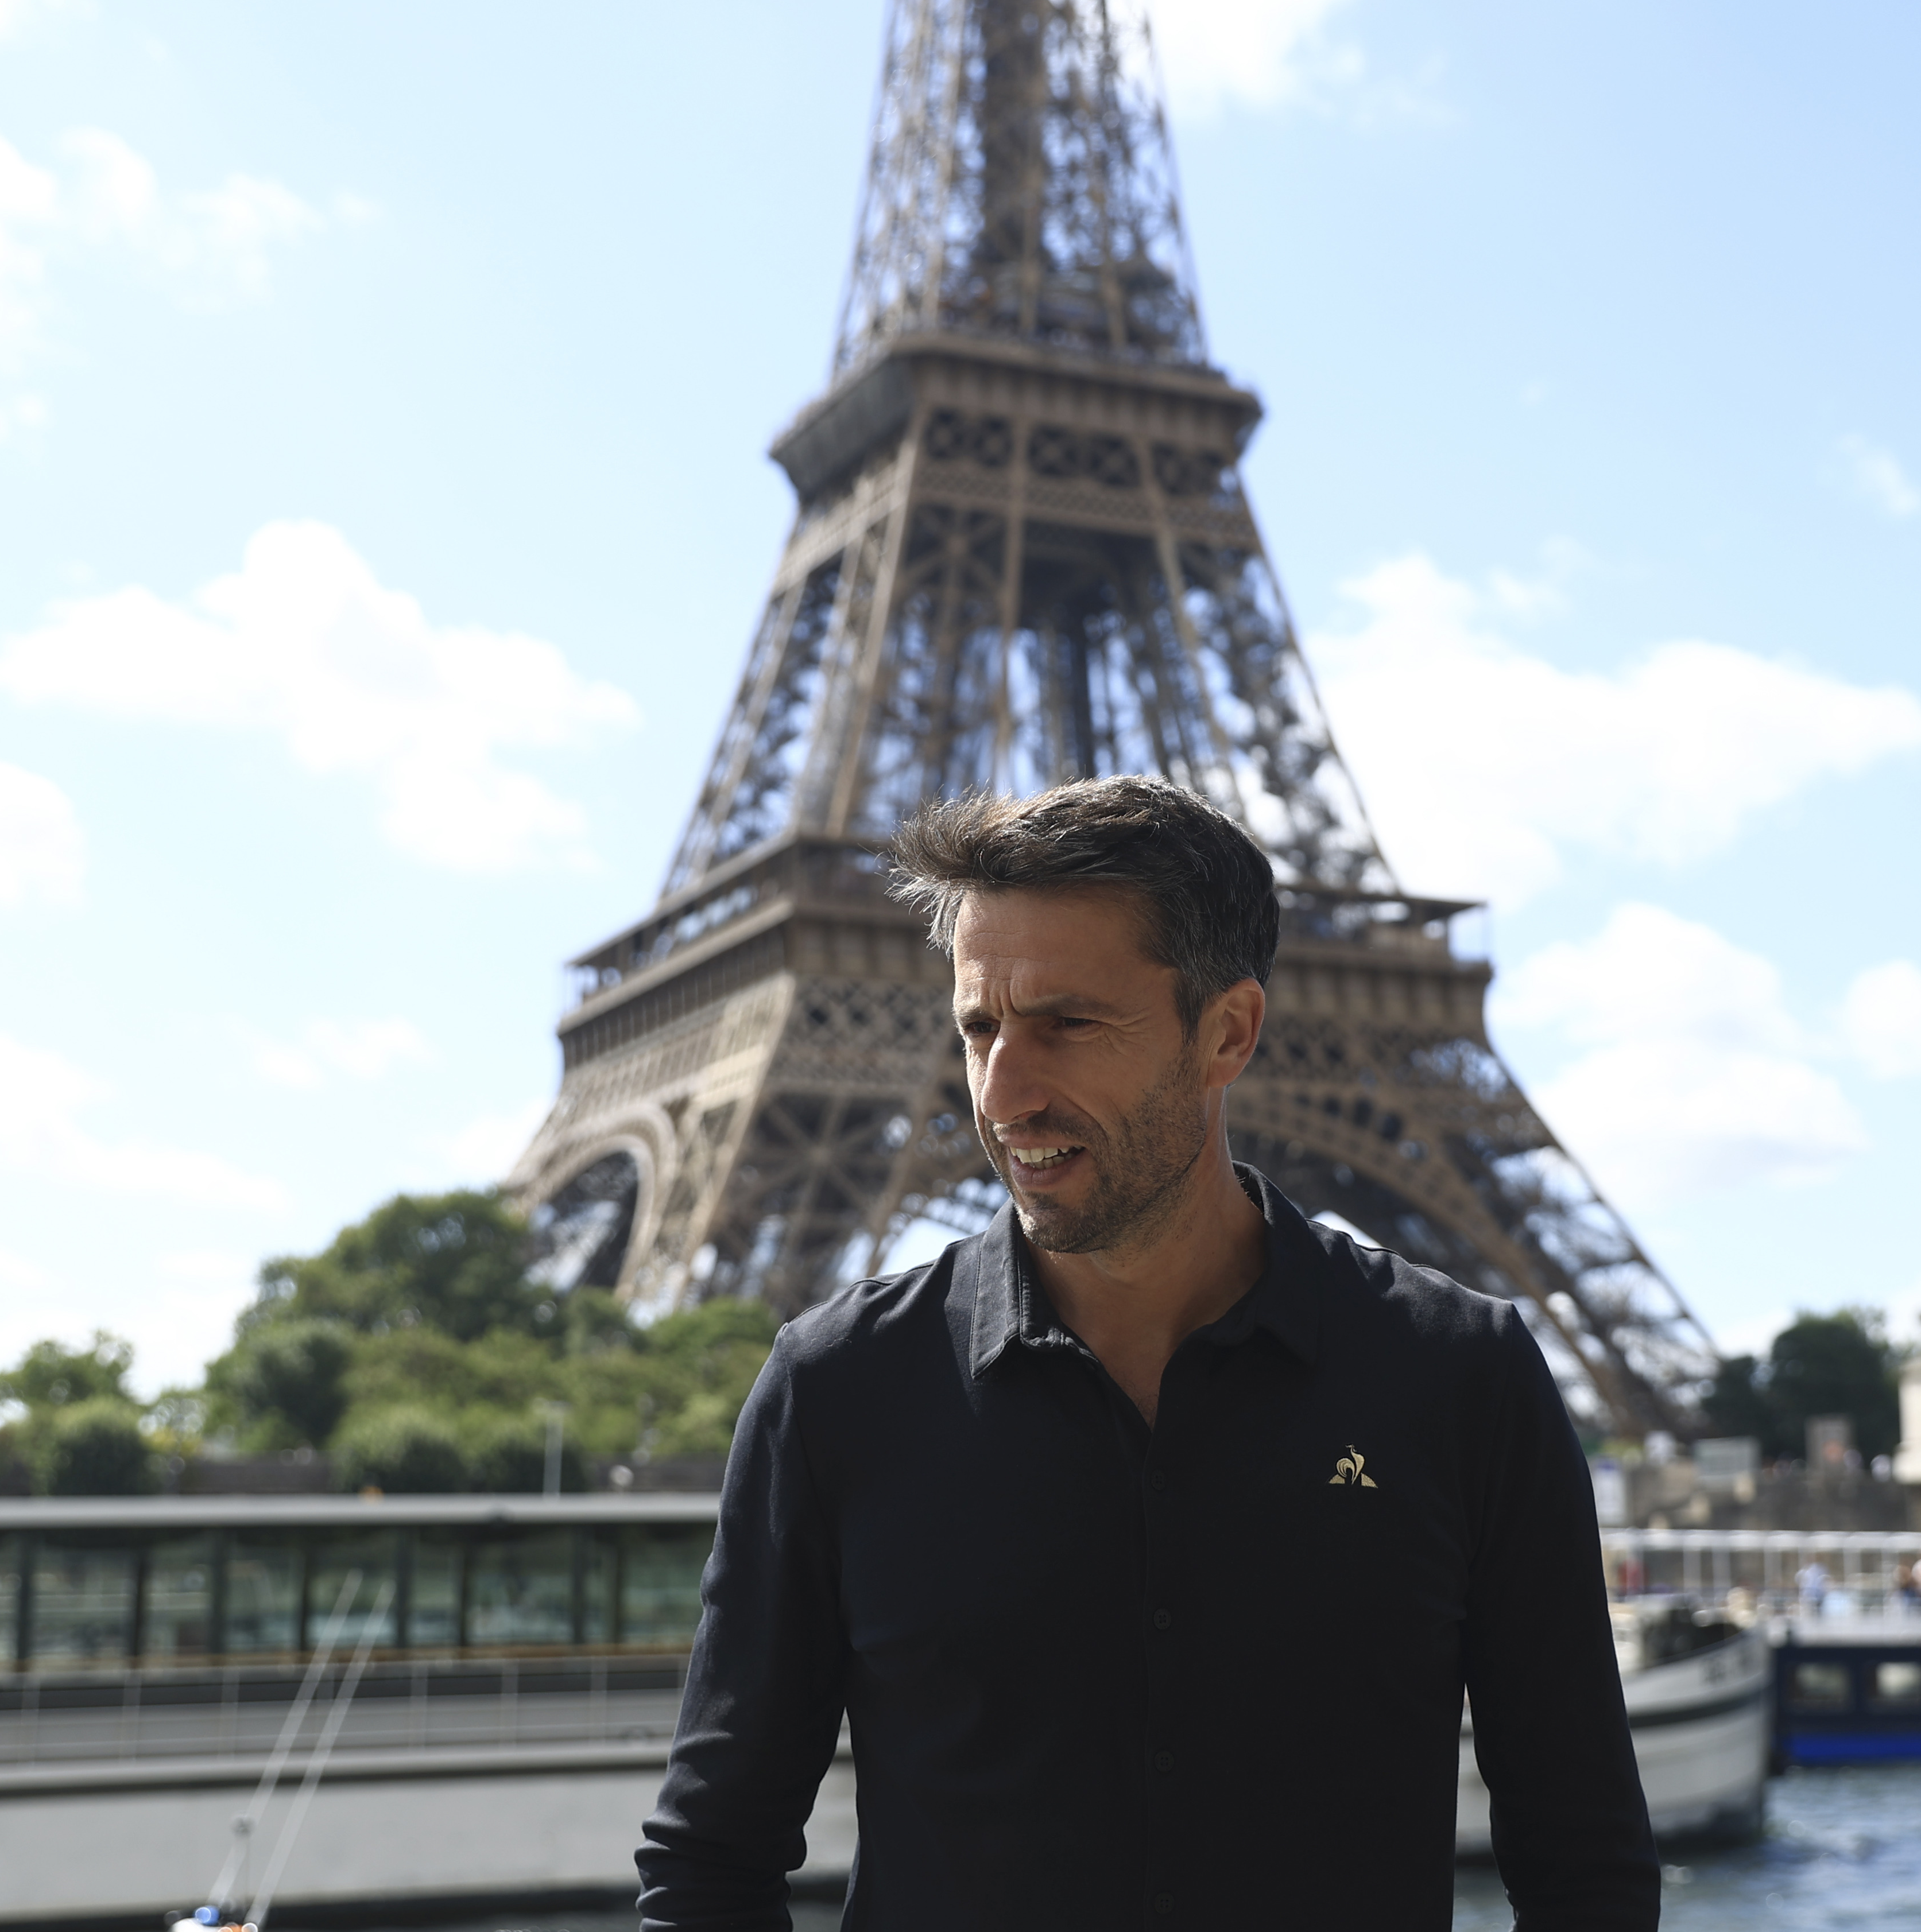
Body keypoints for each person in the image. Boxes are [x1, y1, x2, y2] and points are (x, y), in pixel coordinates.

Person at [638, 776, 1657, 1930]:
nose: (1004, 1091)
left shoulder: (1461, 1380)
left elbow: (1585, 1863)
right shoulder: (833, 1392)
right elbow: (711, 1858)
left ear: (1228, 1031)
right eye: (980, 1027)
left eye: (1067, 1023)